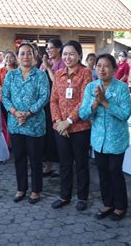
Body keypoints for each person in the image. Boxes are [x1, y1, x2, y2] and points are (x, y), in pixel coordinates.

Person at [79, 53, 131, 221]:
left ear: (114, 69)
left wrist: (105, 102)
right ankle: (107, 203)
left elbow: (124, 114)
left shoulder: (121, 88)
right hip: (98, 139)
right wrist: (95, 103)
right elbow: (83, 113)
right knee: (103, 172)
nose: (102, 69)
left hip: (116, 139)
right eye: (99, 65)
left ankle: (121, 205)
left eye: (106, 66)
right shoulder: (90, 87)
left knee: (115, 172)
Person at [2, 42, 50, 204]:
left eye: (29, 53)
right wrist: (15, 112)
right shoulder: (11, 75)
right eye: (22, 53)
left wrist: (29, 112)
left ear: (34, 56)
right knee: (19, 158)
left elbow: (44, 97)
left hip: (35, 124)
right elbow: (5, 97)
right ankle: (21, 188)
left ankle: (36, 190)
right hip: (16, 124)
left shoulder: (40, 75)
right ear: (17, 57)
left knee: (35, 159)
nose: (25, 56)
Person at [50, 40, 92, 211]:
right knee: (65, 163)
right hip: (60, 128)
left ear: (79, 55)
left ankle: (82, 197)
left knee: (81, 163)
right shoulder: (58, 74)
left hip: (79, 128)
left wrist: (68, 121)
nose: (68, 57)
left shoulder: (86, 73)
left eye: (72, 54)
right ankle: (64, 195)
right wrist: (58, 122)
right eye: (65, 54)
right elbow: (53, 100)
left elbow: (85, 101)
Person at [40, 39, 65, 177]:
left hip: (58, 104)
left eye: (51, 48)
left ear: (59, 49)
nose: (48, 51)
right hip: (45, 104)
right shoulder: (45, 64)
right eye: (47, 49)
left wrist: (49, 68)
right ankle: (48, 165)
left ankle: (63, 165)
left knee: (57, 134)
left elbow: (57, 83)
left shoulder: (62, 64)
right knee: (46, 135)